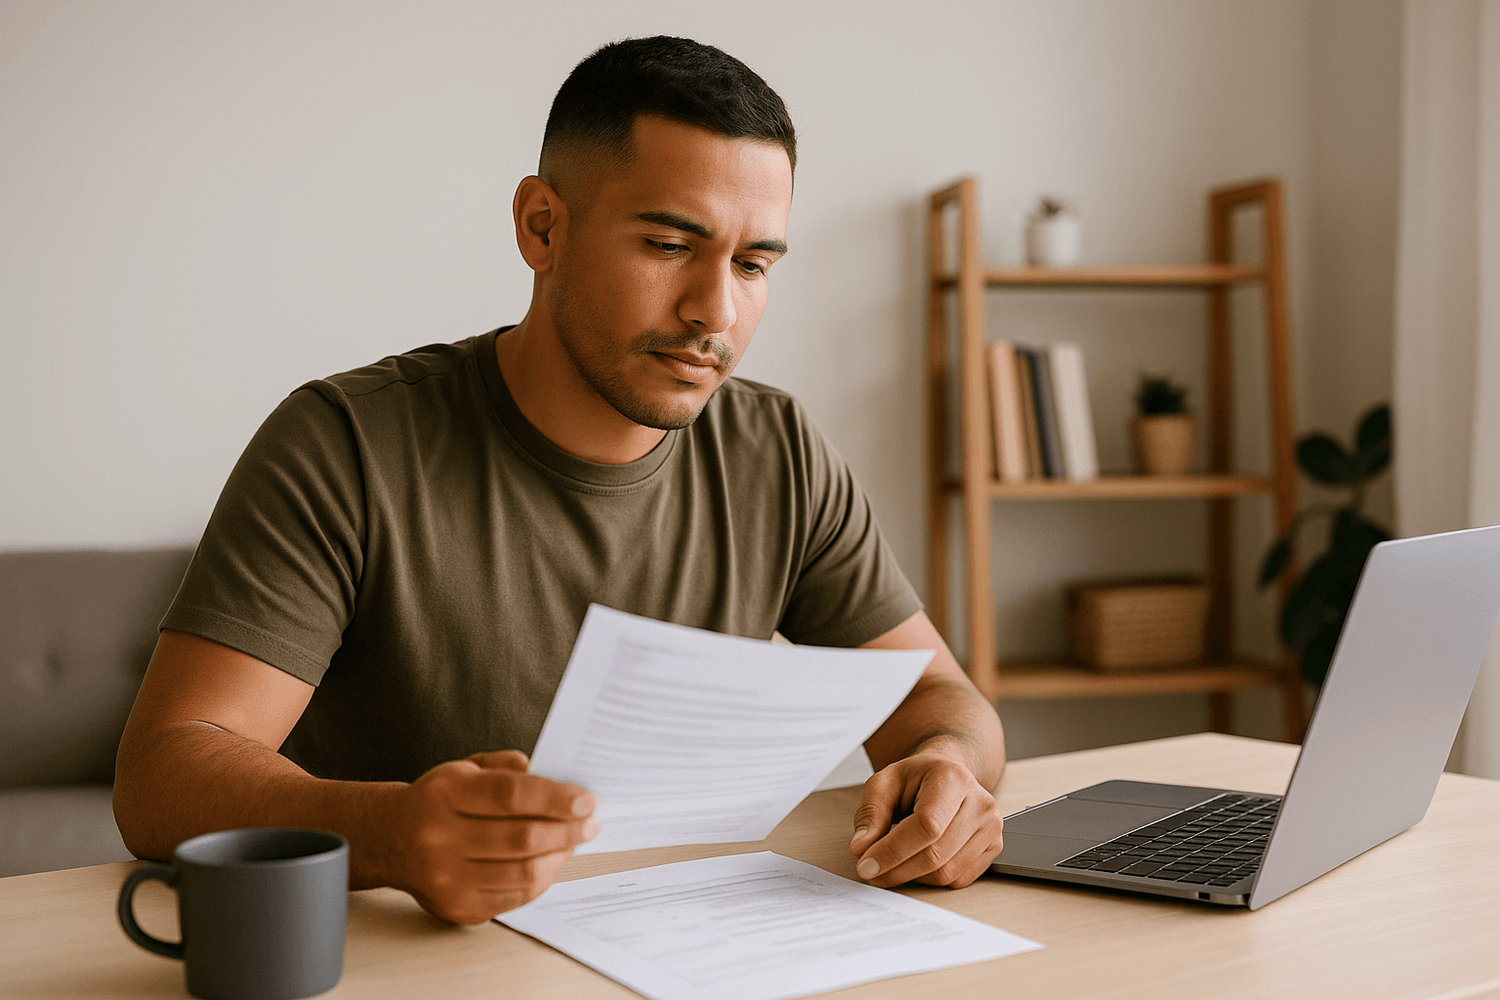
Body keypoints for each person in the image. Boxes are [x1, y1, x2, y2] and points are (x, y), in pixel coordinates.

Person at [114, 35, 1006, 926]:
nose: (715, 311)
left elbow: (939, 699)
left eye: (753, 264)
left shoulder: (778, 449)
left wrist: (950, 770)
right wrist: (388, 832)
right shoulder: (345, 443)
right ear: (542, 226)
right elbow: (165, 771)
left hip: (688, 945)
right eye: (667, 243)